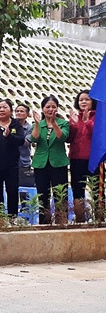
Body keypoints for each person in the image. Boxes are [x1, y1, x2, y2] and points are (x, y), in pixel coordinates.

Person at [31, 96, 69, 224]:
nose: (50, 109)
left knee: (60, 196)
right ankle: (44, 223)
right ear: (42, 109)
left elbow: (61, 137)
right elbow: (34, 139)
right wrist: (36, 123)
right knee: (42, 196)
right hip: (41, 164)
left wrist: (54, 123)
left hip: (58, 163)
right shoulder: (38, 124)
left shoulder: (63, 123)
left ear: (57, 108)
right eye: (47, 107)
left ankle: (61, 222)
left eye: (53, 106)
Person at [67, 90, 97, 222]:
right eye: (81, 100)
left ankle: (100, 219)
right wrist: (73, 125)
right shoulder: (75, 117)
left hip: (95, 159)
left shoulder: (99, 116)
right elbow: (69, 139)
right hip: (76, 158)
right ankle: (80, 219)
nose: (83, 102)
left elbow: (98, 136)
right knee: (78, 190)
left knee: (97, 189)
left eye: (87, 99)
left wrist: (87, 122)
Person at [15, 104, 35, 188]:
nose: (19, 113)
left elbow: (26, 142)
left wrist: (11, 137)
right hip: (10, 163)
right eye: (17, 111)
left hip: (23, 163)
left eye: (22, 111)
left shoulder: (30, 128)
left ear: (27, 114)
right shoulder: (10, 126)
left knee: (24, 190)